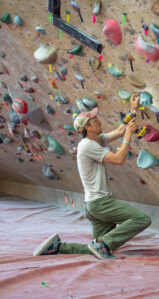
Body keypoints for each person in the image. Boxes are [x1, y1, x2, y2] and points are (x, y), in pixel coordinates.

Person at [33, 94, 151, 260]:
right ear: (88, 127)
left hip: (93, 205)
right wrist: (128, 136)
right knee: (142, 219)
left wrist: (132, 110)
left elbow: (119, 130)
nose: (100, 122)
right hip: (100, 203)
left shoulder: (94, 140)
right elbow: (118, 159)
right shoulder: (88, 146)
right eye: (95, 121)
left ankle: (57, 247)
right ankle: (102, 244)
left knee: (98, 247)